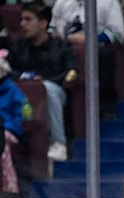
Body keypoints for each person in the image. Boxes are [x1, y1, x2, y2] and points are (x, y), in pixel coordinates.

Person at [9, 1, 78, 163]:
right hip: (23, 92)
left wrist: (43, 82)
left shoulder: (61, 46)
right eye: (21, 19)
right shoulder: (19, 46)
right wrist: (27, 77)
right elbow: (8, 70)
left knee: (47, 88)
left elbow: (71, 72)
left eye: (28, 19)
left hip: (55, 92)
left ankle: (58, 143)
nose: (22, 24)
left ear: (42, 23)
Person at [52, 0, 124, 118]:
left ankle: (105, 106)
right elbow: (50, 28)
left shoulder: (110, 2)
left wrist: (91, 38)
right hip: (65, 46)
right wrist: (59, 36)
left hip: (96, 45)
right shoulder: (61, 2)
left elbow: (118, 35)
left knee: (101, 55)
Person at [0, 49, 32, 198]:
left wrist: (7, 127)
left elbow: (24, 115)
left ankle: (10, 187)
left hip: (10, 131)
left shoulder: (12, 90)